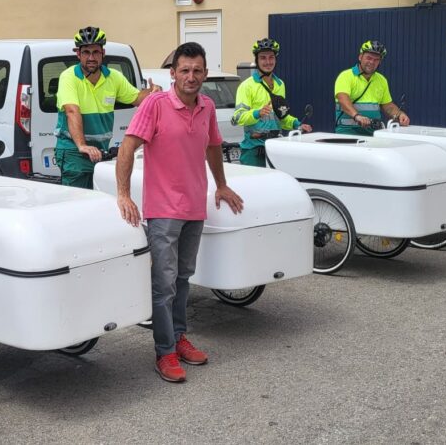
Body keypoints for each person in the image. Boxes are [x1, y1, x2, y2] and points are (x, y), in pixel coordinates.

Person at [115, 41, 245, 383]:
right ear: (172, 74)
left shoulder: (206, 106)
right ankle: (164, 351)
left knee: (183, 279)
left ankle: (178, 335)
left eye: (197, 70)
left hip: (194, 208)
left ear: (205, 73)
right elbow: (127, 147)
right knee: (164, 284)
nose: (191, 76)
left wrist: (221, 184)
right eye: (184, 70)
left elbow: (214, 146)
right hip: (163, 212)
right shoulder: (155, 105)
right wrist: (124, 194)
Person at [55, 26, 159, 188]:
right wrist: (82, 145)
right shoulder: (69, 77)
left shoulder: (113, 77)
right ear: (78, 54)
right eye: (86, 52)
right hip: (73, 150)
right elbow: (72, 111)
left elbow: (137, 98)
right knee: (78, 200)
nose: (91, 57)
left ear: (103, 53)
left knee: (101, 198)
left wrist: (153, 93)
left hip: (101, 151)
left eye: (96, 52)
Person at [230, 38, 312, 166]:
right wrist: (257, 113)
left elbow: (281, 117)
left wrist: (297, 124)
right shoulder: (247, 86)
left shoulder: (280, 85)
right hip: (253, 151)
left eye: (271, 57)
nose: (268, 62)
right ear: (256, 60)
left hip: (275, 149)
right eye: (263, 58)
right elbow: (238, 117)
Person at [334, 40, 410, 136]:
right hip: (347, 132)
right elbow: (343, 100)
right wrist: (357, 116)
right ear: (360, 57)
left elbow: (388, 106)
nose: (372, 62)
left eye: (376, 60)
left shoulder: (381, 80)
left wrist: (400, 114)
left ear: (380, 62)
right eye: (368, 58)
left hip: (374, 133)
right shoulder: (346, 76)